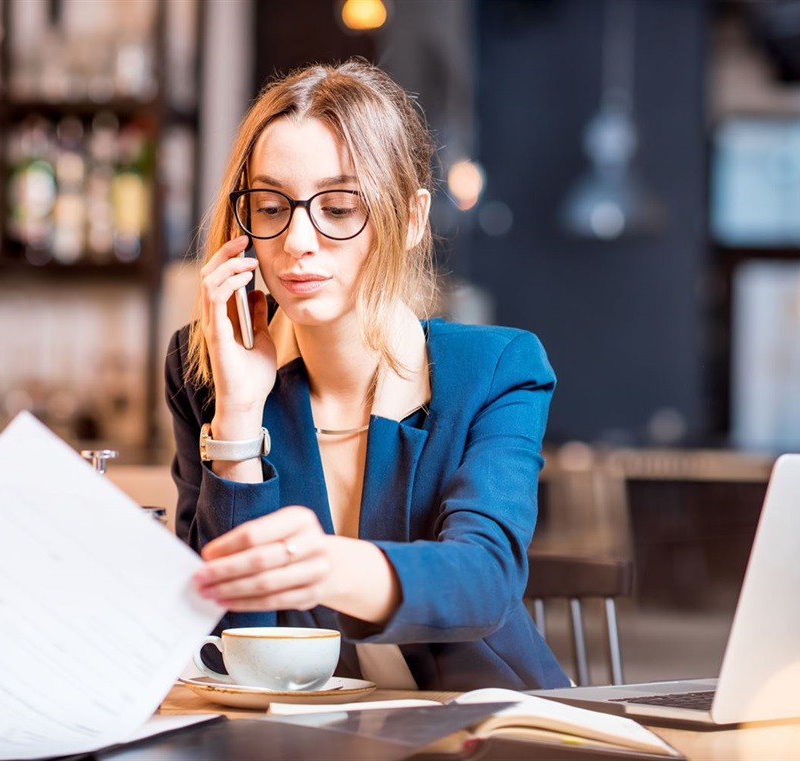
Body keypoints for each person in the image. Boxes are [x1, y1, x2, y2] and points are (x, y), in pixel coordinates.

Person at [165, 60, 569, 692]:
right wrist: (239, 422)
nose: (298, 240)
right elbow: (230, 642)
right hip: (308, 737)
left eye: (339, 206)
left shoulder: (495, 369)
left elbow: (485, 579)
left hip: (484, 727)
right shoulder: (209, 374)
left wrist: (327, 566)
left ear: (410, 220)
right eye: (270, 206)